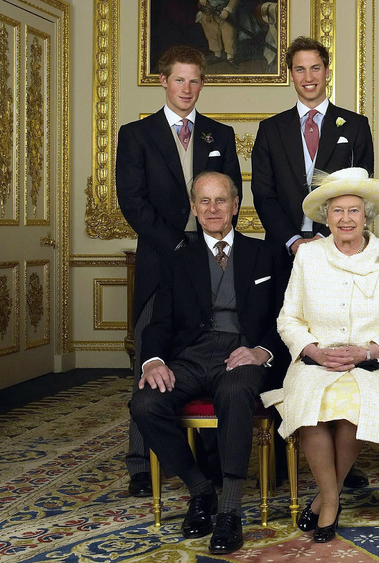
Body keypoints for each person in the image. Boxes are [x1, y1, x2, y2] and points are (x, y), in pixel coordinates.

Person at [128, 171, 284, 555]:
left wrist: (261, 352)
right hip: (191, 355)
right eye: (204, 201)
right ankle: (200, 490)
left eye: (221, 200)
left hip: (243, 352)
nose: (213, 209)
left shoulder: (265, 253)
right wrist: (153, 362)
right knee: (145, 403)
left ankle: (229, 508)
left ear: (235, 205)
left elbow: (286, 315)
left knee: (235, 392)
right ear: (195, 209)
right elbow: (160, 321)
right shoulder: (178, 258)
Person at [261, 167, 379, 542]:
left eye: (353, 210)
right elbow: (289, 318)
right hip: (318, 357)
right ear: (325, 216)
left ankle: (323, 503)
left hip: (373, 359)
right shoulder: (308, 257)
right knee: (311, 405)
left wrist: (368, 350)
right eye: (337, 211)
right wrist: (313, 351)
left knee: (352, 403)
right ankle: (330, 498)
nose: (346, 219)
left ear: (366, 215)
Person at [116, 45, 241, 498]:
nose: (187, 88)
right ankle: (140, 463)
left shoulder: (218, 134)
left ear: (202, 84)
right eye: (179, 80)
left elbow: (230, 194)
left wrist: (210, 245)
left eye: (195, 80)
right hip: (161, 259)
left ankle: (208, 459)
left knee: (206, 350)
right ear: (163, 82)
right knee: (151, 358)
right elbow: (132, 201)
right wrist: (176, 246)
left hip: (210, 254)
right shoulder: (136, 134)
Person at [250, 35, 374, 489]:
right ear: (291, 75)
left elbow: (359, 194)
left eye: (315, 68)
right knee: (291, 345)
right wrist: (292, 241)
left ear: (327, 71)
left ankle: (345, 458)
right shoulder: (271, 128)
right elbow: (262, 194)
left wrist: (325, 243)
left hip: (339, 256)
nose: (308, 77)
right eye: (299, 70)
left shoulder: (355, 126)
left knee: (340, 341)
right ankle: (290, 458)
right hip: (286, 255)